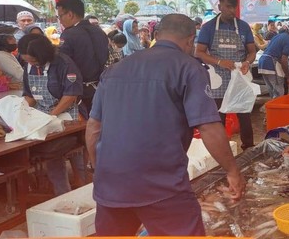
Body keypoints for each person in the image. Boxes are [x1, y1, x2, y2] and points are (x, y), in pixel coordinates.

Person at [86, 14, 246, 236]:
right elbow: (209, 127)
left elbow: (94, 127)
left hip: (110, 185)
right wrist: (232, 170)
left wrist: (101, 168)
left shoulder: (116, 69)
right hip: (161, 184)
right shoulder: (188, 67)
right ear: (190, 40)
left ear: (156, 35)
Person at [18, 33, 86, 195]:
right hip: (43, 113)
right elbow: (30, 95)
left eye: (34, 61)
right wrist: (20, 111)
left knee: (66, 147)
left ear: (43, 55)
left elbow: (71, 95)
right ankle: (61, 193)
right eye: (27, 61)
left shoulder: (63, 63)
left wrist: (51, 115)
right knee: (48, 148)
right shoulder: (28, 66)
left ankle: (81, 185)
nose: (31, 64)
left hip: (69, 112)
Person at [195, 0, 257, 150]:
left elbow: (252, 51)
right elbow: (199, 52)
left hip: (239, 77)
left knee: (244, 115)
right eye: (228, 7)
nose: (232, 11)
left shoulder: (243, 26)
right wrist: (219, 61)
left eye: (234, 8)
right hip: (219, 79)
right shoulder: (208, 28)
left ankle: (248, 147)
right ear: (219, 6)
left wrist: (247, 63)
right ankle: (220, 150)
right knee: (218, 117)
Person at [56, 0, 109, 113]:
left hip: (80, 91)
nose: (60, 20)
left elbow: (64, 63)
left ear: (70, 14)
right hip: (101, 86)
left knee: (84, 125)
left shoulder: (68, 34)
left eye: (60, 16)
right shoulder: (99, 31)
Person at [257, 24, 289, 98]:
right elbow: (284, 60)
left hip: (262, 62)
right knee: (278, 91)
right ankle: (278, 108)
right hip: (271, 63)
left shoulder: (280, 35)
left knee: (272, 91)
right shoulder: (288, 40)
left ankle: (272, 107)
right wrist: (288, 77)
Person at [0, 24, 23, 89]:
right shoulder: (0, 55)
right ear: (0, 41)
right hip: (13, 91)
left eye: (13, 37)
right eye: (10, 38)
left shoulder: (4, 53)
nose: (14, 40)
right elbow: (21, 75)